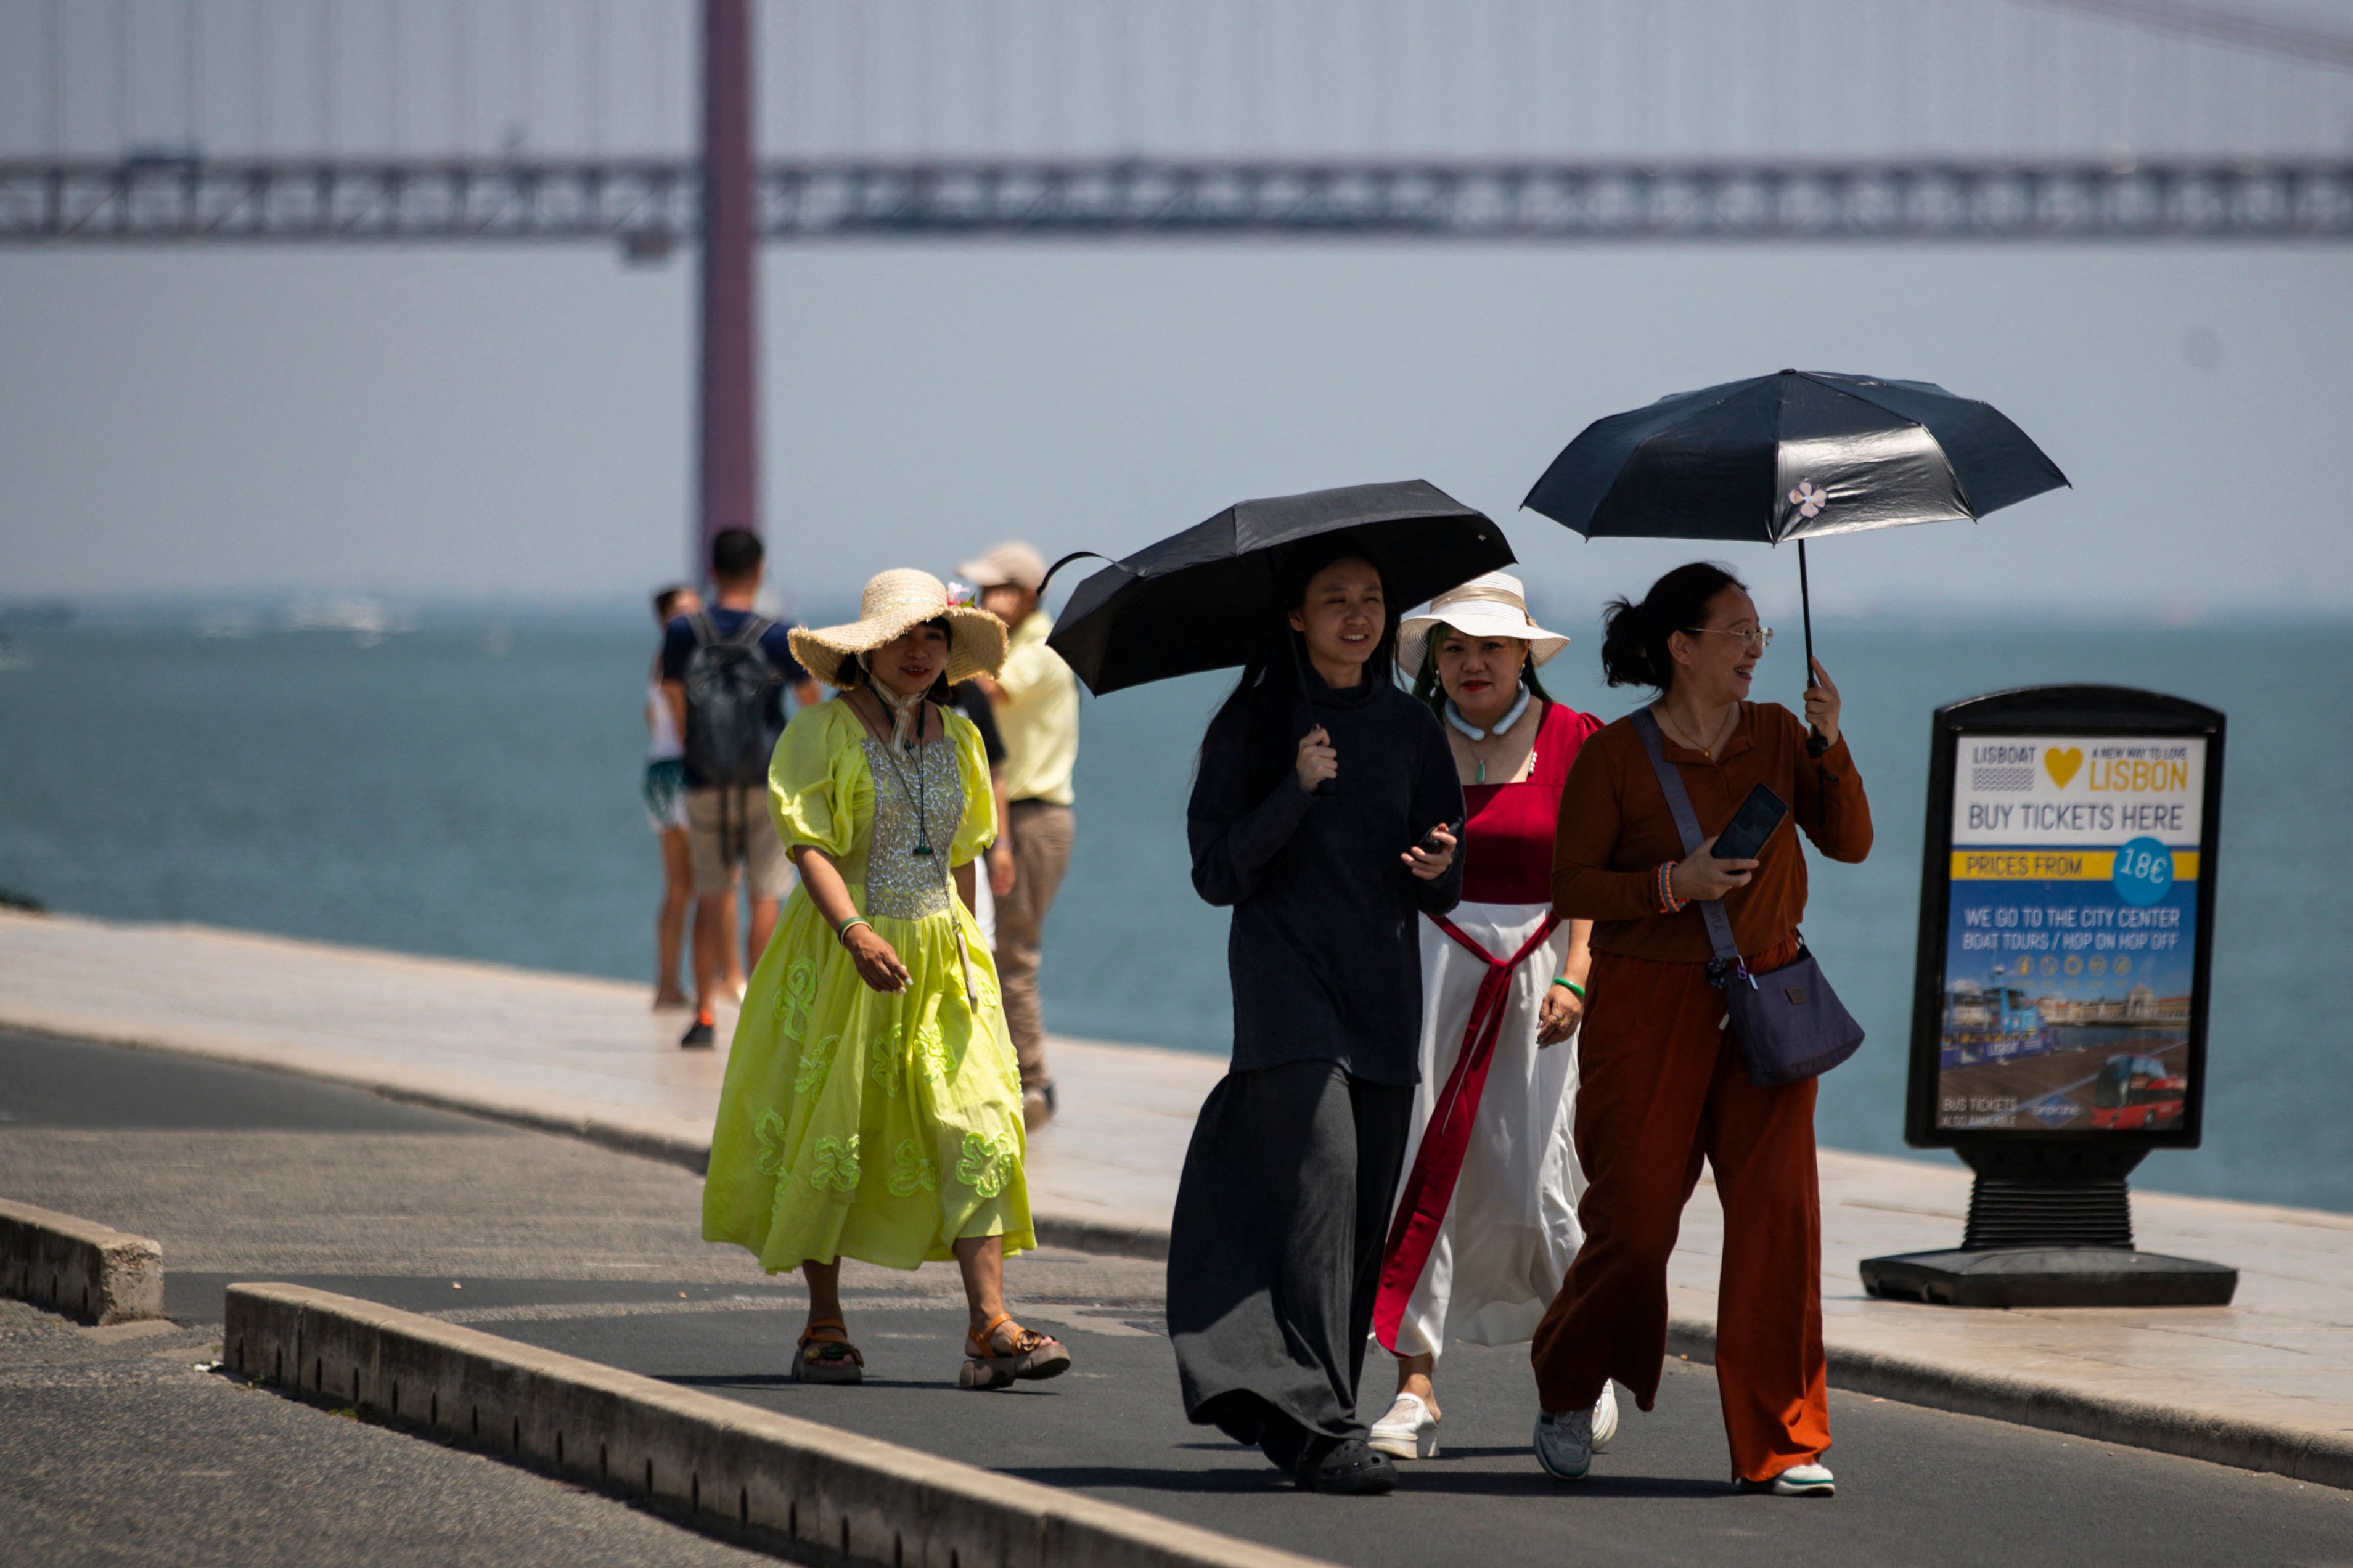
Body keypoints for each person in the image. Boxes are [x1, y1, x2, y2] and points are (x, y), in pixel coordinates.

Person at [1528, 562, 1871, 1497]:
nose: (1757, 646)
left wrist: (1829, 744)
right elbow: (1570, 888)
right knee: (1633, 1227)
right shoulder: (1612, 757)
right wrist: (1672, 885)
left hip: (1769, 998)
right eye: (1736, 630)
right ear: (1681, 648)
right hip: (1646, 1006)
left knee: (1776, 1228)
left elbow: (1848, 842)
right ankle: (1567, 1379)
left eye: (1760, 629)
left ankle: (1784, 1440)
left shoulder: (1776, 733)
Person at [702, 568, 1070, 1390]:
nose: (919, 651)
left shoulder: (965, 738)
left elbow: (967, 855)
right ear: (866, 650)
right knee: (833, 1129)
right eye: (902, 637)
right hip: (842, 950)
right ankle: (823, 1323)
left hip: (944, 954)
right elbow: (809, 847)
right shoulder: (820, 735)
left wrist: (975, 954)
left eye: (934, 636)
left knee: (979, 1121)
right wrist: (854, 930)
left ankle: (989, 1326)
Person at [1168, 534, 1463, 1497]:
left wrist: (1436, 865)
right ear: (1296, 618)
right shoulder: (1255, 725)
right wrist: (1292, 789)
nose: (1358, 614)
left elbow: (1445, 877)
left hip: (1381, 993)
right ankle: (1329, 1423)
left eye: (1371, 597)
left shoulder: (1416, 731)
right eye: (1334, 598)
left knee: (1358, 1211)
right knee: (1326, 1178)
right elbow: (1217, 873)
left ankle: (1304, 1420)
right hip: (1285, 989)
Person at [1367, 573, 1614, 1463]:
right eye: (1454, 647)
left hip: (1545, 973)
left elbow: (1590, 873)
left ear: (1524, 655)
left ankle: (1577, 1369)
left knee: (1535, 1182)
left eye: (1491, 647)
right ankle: (1414, 1388)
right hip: (1431, 972)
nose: (1473, 664)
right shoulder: (1403, 739)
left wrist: (1579, 978)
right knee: (1421, 1168)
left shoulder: (1576, 738)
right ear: (1433, 659)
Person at [661, 529, 821, 1048]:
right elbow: (810, 700)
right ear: (760, 571)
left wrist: (692, 744)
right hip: (763, 780)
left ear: (712, 570)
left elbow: (671, 692)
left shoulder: (685, 632)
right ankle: (763, 1013)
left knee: (711, 892)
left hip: (704, 779)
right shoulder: (777, 636)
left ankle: (704, 1013)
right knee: (766, 896)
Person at [955, 541, 1080, 1128]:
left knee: (1013, 953)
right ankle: (1010, 1070)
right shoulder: (1015, 646)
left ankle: (1034, 1081)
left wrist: (954, 633)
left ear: (1025, 594)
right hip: (1011, 815)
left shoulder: (1040, 651)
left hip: (1031, 819)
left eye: (992, 589)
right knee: (994, 948)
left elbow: (982, 690)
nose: (983, 598)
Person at [646, 583, 706, 1010]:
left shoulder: (658, 660)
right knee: (710, 883)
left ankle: (668, 986)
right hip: (687, 774)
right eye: (679, 612)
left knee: (681, 887)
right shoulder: (680, 659)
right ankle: (720, 981)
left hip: (660, 772)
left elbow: (651, 719)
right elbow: (685, 724)